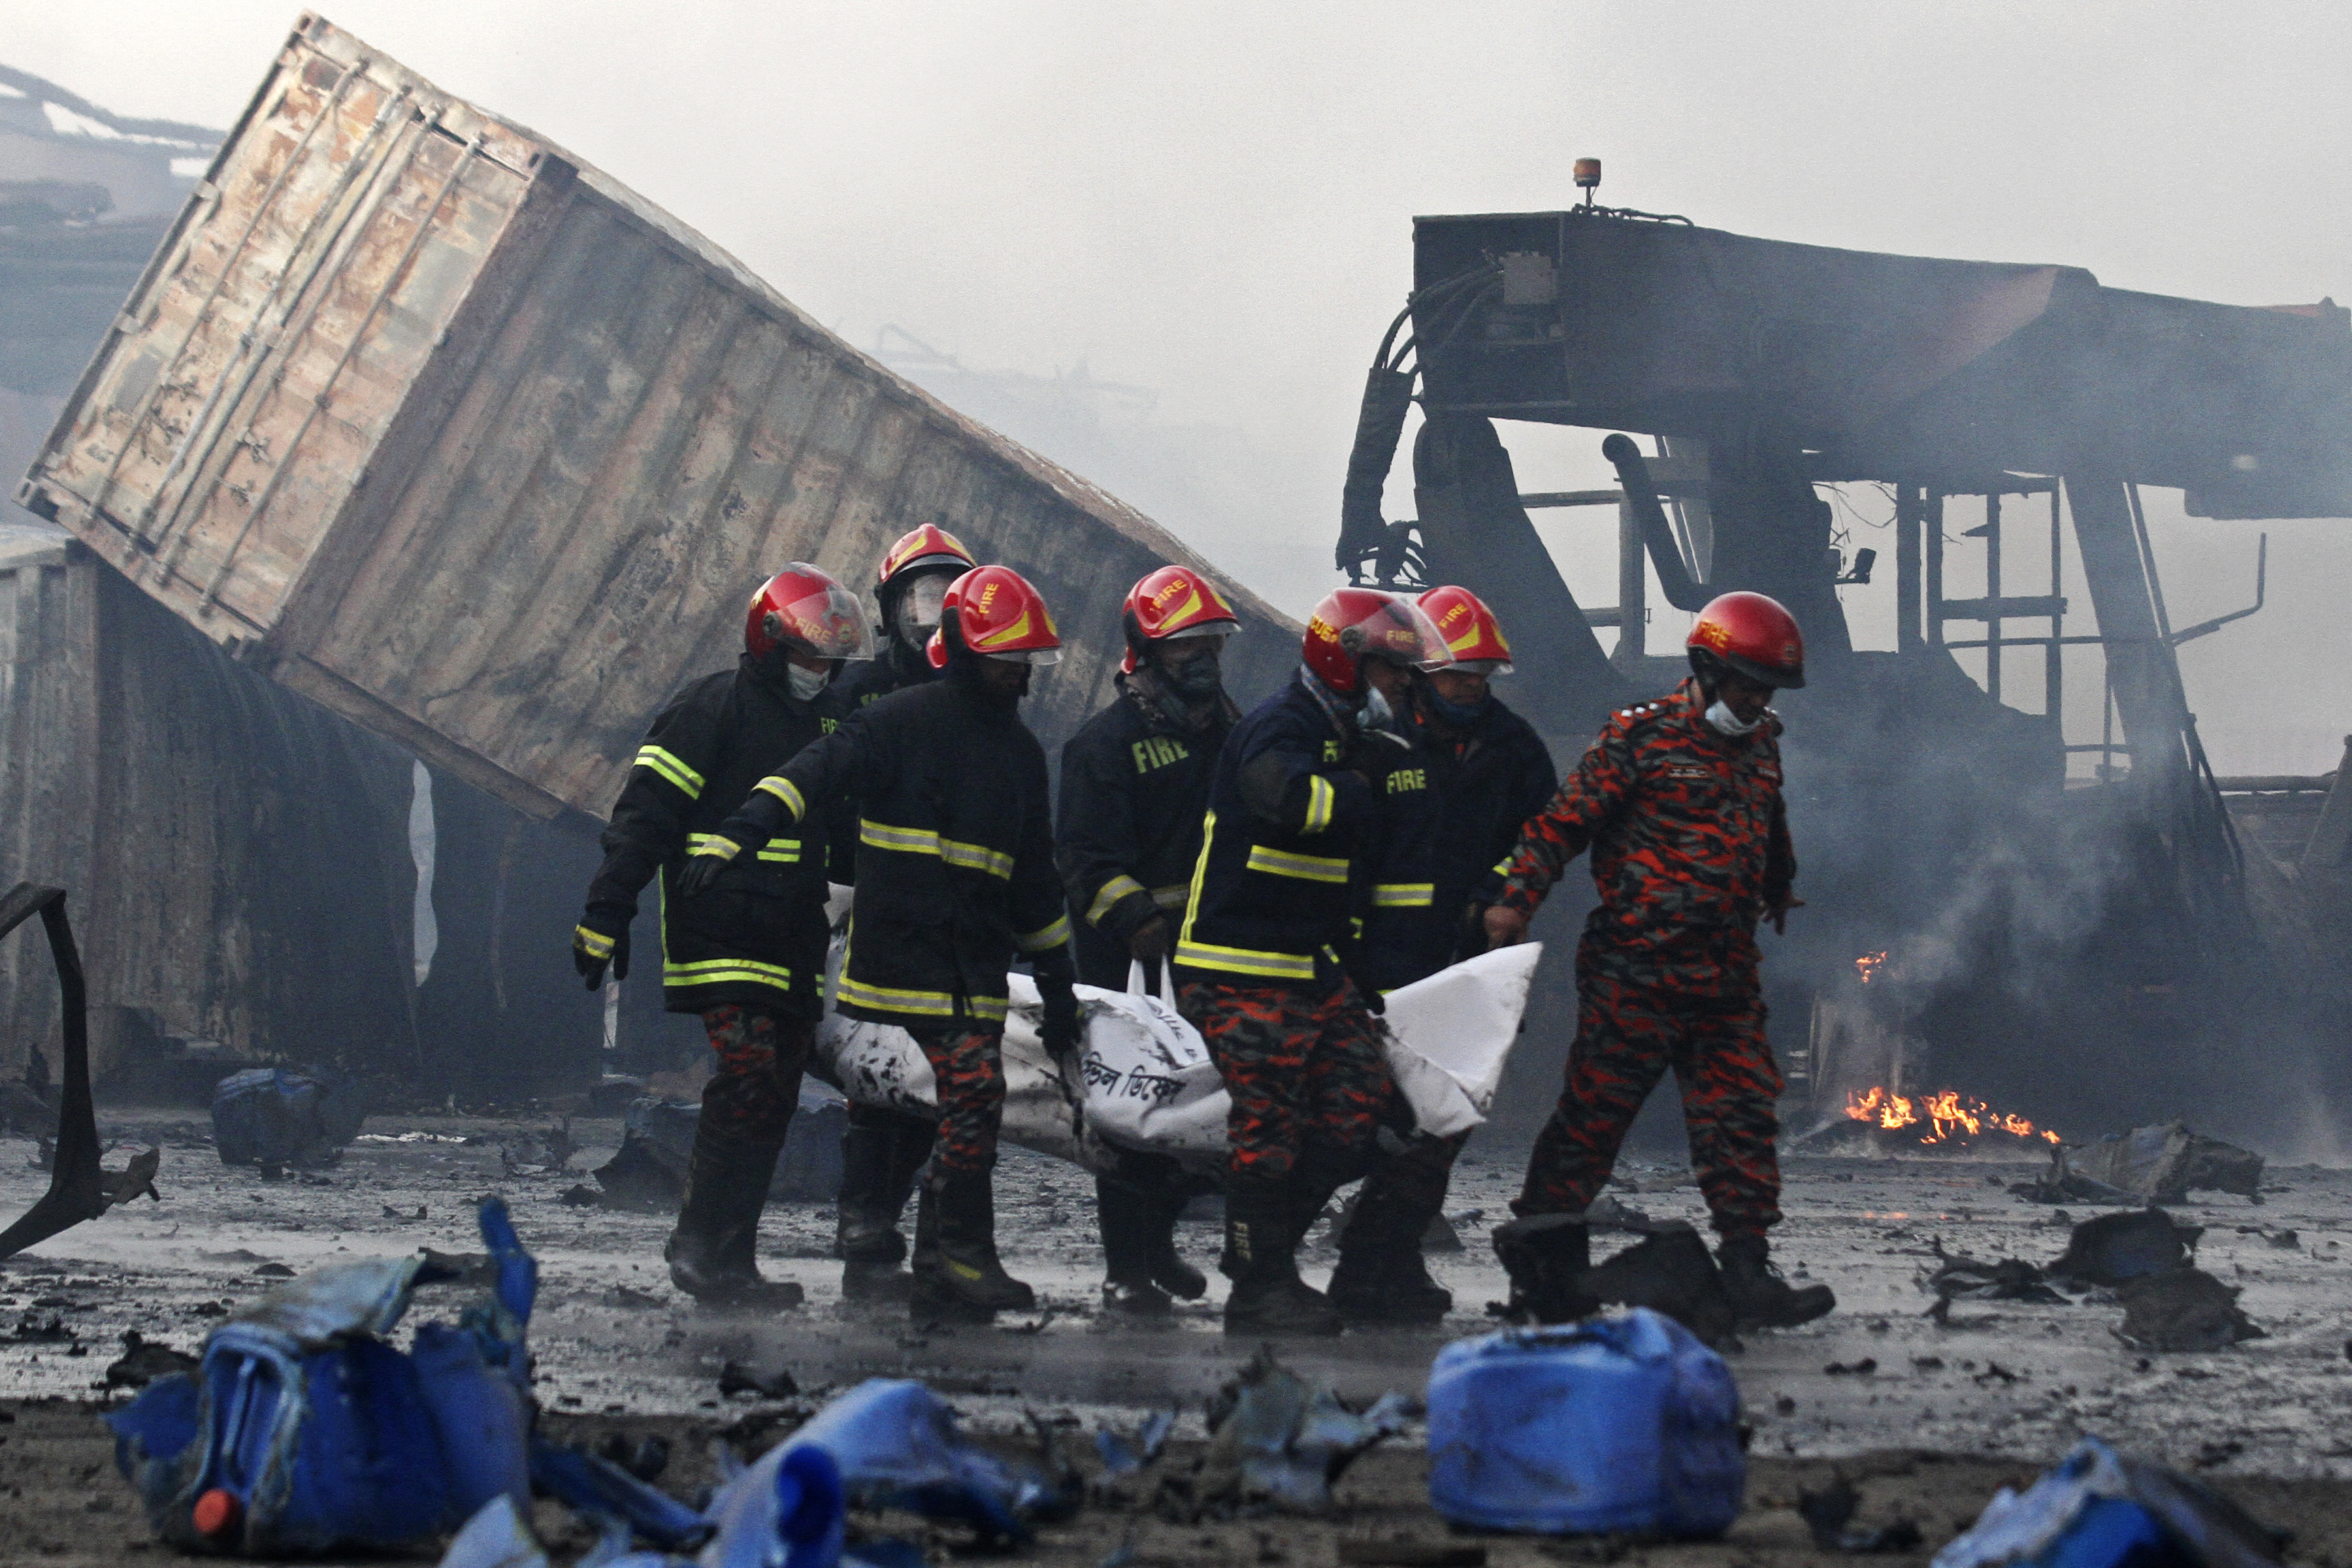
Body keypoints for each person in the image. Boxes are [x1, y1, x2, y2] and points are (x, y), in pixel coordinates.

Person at [681, 564, 1083, 1321]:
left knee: (958, 1104)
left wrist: (1059, 987)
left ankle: (937, 1259)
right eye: (1007, 658)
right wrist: (741, 834)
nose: (1020, 675)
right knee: (973, 1094)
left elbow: (1036, 887)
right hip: (905, 958)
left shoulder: (1022, 756)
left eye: (1027, 660)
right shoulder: (899, 721)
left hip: (973, 965)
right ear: (965, 650)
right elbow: (808, 775)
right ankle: (954, 1254)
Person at [1483, 590, 1833, 1331]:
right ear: (1706, 667)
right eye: (1744, 684)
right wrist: (1516, 902)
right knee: (1591, 1124)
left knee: (1740, 1122)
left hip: (1725, 976)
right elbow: (1561, 825)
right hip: (1636, 972)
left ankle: (1746, 1270)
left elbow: (1767, 822)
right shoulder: (1637, 739)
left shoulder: (1764, 742)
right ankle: (1543, 1272)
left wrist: (1778, 887)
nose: (1755, 699)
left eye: (1765, 689)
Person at [571, 565, 874, 1307]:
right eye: (808, 657)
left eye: (830, 660)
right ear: (769, 642)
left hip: (798, 933)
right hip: (721, 923)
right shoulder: (711, 706)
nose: (820, 672)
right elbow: (645, 814)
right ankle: (701, 1244)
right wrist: (607, 912)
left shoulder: (831, 719)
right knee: (747, 1076)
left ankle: (733, 1258)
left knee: (774, 1093)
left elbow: (846, 826)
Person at [1174, 587, 1451, 1335]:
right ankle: (1262, 1289)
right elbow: (1286, 800)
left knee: (1365, 1109)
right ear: (1346, 663)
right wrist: (1360, 788)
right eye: (1394, 675)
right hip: (1236, 964)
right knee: (1268, 1121)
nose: (1404, 689)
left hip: (1310, 969)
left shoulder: (1353, 737)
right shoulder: (1279, 726)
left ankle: (1261, 1255)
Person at [1326, 584, 1556, 1325]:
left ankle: (1386, 1258)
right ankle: (1350, 1257)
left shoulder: (1514, 746)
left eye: (1484, 678)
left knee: (1448, 1117)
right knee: (1380, 1116)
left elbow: (1541, 835)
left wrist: (1506, 895)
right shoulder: (1375, 737)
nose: (1474, 690)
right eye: (1461, 676)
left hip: (1468, 958)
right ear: (1424, 672)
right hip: (1381, 960)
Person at [1055, 564, 1241, 1315]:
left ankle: (1160, 1244)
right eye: (1184, 647)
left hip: (1211, 956)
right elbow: (1083, 857)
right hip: (1129, 966)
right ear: (1145, 651)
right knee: (1135, 1116)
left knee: (1197, 1111)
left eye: (1211, 644)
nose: (1202, 660)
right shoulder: (1105, 744)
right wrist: (1134, 918)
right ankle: (1127, 1268)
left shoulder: (1229, 735)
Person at [821, 523, 981, 1300]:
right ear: (890, 611)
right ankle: (864, 1214)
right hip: (863, 910)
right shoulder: (855, 694)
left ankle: (927, 1237)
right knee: (873, 1067)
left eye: (947, 598)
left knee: (937, 1076)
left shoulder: (981, 698)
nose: (933, 617)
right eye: (920, 600)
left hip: (949, 916)